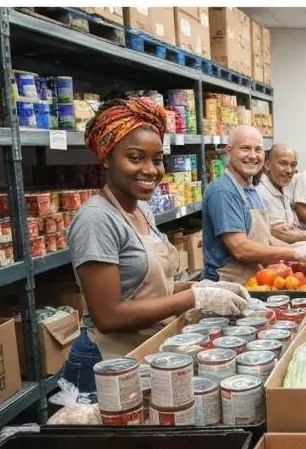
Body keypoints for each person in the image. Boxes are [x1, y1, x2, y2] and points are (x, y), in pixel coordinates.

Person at [62, 98, 249, 393]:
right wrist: (195, 299)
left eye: (157, 159)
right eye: (136, 158)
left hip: (144, 352)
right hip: (106, 365)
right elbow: (108, 316)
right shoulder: (96, 220)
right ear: (106, 158)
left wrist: (205, 288)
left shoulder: (142, 211)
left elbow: (152, 287)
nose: (150, 170)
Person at [201, 126, 306, 284]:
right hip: (225, 286)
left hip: (252, 282)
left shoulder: (251, 190)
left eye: (258, 149)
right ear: (229, 151)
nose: (252, 156)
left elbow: (266, 239)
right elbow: (240, 248)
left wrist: (301, 246)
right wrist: (293, 253)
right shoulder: (223, 191)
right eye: (245, 148)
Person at [258, 144, 306, 244]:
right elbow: (277, 235)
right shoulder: (260, 194)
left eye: (293, 165)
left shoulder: (286, 188)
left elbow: (291, 227)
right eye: (283, 163)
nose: (289, 170)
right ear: (267, 165)